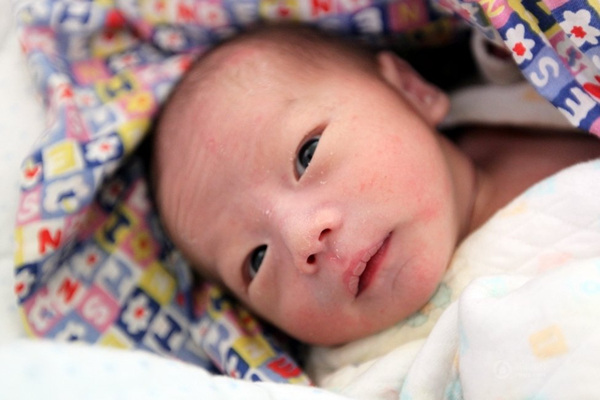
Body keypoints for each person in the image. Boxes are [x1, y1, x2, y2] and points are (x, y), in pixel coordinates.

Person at [150, 24, 600, 347]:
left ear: (411, 90)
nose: (301, 238)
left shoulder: (521, 95)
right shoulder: (372, 372)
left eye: (307, 154)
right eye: (256, 260)